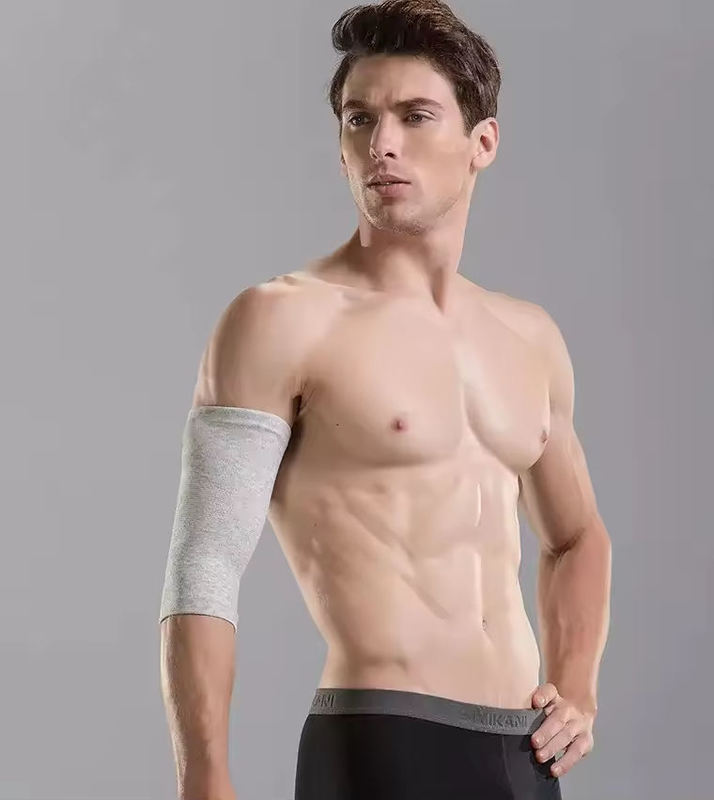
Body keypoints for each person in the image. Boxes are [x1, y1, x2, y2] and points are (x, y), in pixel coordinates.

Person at [158, 1, 612, 798]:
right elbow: (205, 567)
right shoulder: (280, 320)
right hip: (383, 739)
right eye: (359, 118)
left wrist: (576, 688)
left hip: (525, 753)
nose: (382, 144)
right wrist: (205, 781)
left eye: (415, 116)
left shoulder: (529, 337)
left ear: (483, 143)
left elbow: (576, 537)